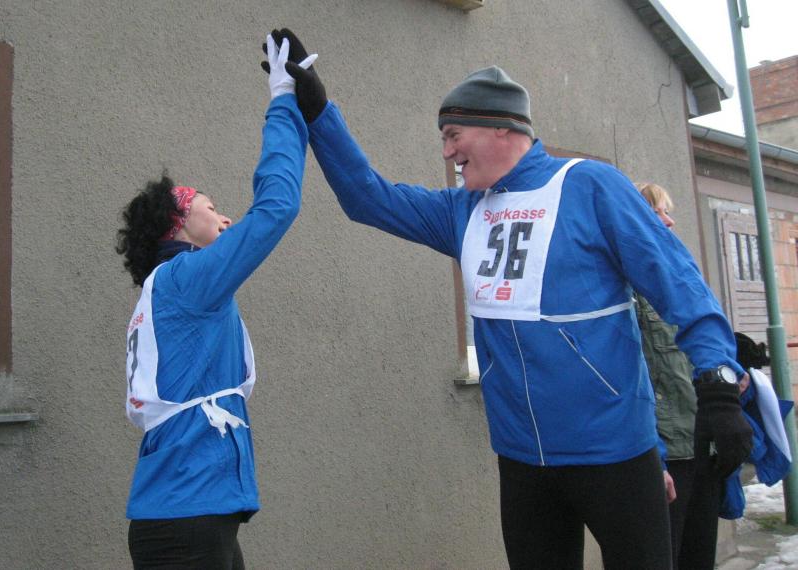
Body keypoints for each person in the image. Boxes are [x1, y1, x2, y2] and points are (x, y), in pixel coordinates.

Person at [262, 29, 753, 569]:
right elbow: (367, 197)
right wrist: (318, 111)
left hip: (614, 451)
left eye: (453, 135)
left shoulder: (591, 185)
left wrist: (718, 383)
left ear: (502, 127)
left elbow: (678, 281)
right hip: (522, 458)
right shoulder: (462, 211)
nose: (447, 152)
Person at [116, 36, 314, 569]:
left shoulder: (169, 288)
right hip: (186, 517)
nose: (225, 218)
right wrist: (283, 101)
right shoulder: (185, 281)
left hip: (194, 512)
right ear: (178, 221)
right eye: (211, 206)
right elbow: (276, 207)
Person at [635, 182, 724, 570]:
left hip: (703, 446)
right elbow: (631, 381)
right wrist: (655, 460)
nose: (669, 221)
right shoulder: (627, 289)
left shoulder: (680, 280)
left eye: (668, 211)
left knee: (699, 558)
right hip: (668, 457)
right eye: (658, 212)